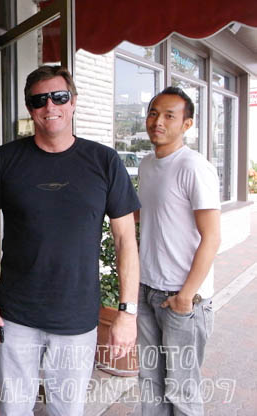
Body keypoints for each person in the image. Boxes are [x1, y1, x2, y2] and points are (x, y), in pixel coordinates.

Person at [0, 65, 140, 415]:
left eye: (59, 97)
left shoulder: (104, 161)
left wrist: (127, 313)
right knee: (13, 409)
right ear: (30, 109)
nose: (50, 106)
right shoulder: (5, 159)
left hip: (76, 316)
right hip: (15, 315)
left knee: (67, 410)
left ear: (73, 102)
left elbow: (125, 239)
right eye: (39, 100)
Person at [137, 87, 221, 415]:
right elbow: (148, 213)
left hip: (182, 299)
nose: (158, 121)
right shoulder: (147, 164)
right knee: (151, 383)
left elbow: (212, 237)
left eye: (169, 116)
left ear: (187, 124)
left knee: (182, 391)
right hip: (148, 290)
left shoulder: (194, 167)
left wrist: (186, 296)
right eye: (153, 113)